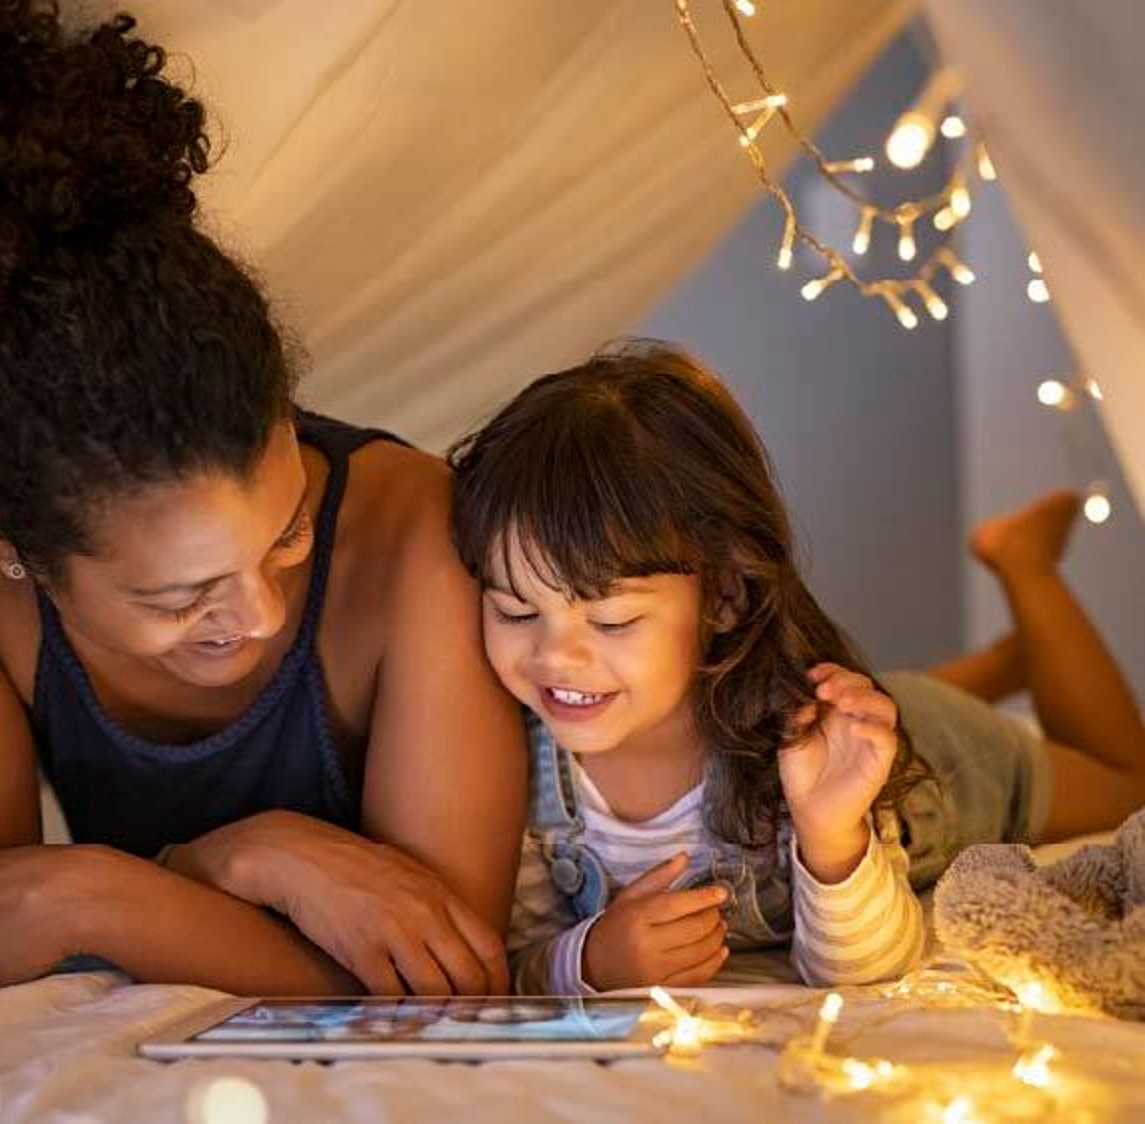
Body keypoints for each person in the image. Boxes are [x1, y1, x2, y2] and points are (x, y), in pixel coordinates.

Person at [0, 0, 526, 997]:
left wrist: (159, 875)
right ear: (10, 544)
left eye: (290, 531)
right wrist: (132, 888)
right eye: (178, 596)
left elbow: (451, 981)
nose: (256, 613)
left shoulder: (416, 527)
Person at [446, 340, 1145, 993]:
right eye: (513, 610)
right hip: (835, 702)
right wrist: (588, 959)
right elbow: (514, 956)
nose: (554, 655)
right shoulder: (510, 764)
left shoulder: (803, 750)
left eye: (612, 621)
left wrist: (832, 835)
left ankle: (1025, 568)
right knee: (876, 696)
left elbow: (871, 966)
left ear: (722, 595)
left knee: (1128, 785)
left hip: (936, 760)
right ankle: (1005, 663)